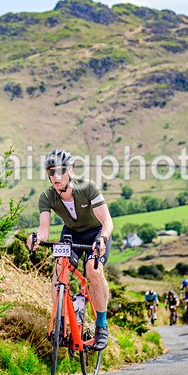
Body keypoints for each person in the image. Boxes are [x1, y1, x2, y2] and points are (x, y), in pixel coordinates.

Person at [27, 148, 114, 350]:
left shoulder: (88, 188)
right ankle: (61, 321)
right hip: (71, 233)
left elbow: (107, 222)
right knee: (60, 266)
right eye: (51, 172)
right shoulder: (47, 196)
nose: (56, 176)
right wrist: (35, 239)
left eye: (61, 171)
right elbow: (44, 231)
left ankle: (101, 325)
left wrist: (102, 239)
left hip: (96, 233)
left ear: (71, 171)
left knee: (93, 269)